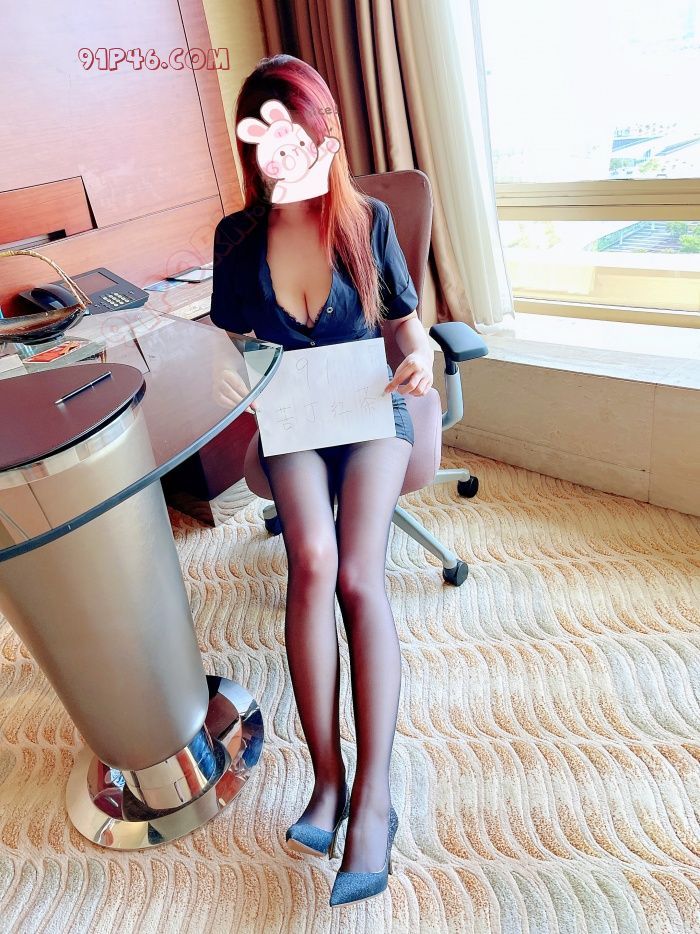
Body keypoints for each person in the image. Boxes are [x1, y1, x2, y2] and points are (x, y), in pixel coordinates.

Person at [210, 54, 435, 907]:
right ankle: (328, 780)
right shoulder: (237, 238)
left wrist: (419, 361)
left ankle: (374, 799)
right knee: (310, 561)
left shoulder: (366, 220)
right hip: (298, 420)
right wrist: (241, 377)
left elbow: (409, 333)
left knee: (355, 574)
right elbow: (237, 345)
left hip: (371, 409)